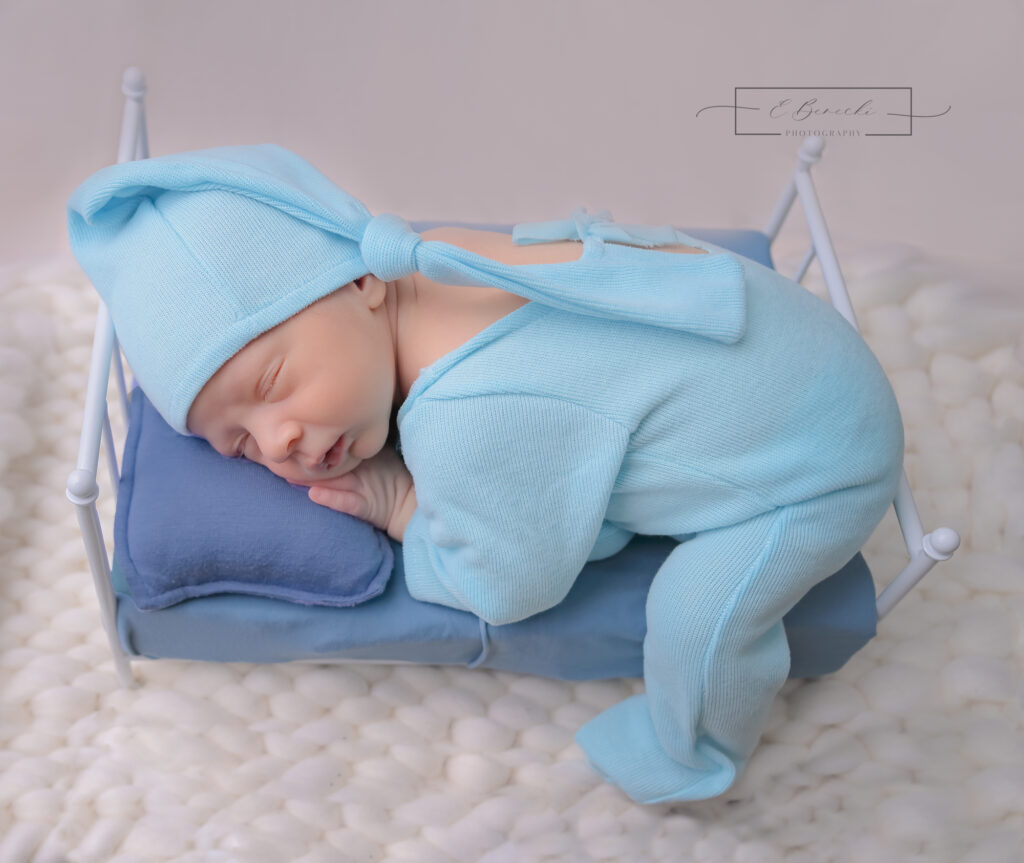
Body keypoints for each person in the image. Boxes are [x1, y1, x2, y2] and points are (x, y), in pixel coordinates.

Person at [68, 144, 903, 804]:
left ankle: (694, 758)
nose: (279, 441)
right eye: (241, 447)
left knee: (695, 616)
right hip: (794, 343)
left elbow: (509, 585)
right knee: (609, 438)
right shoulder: (443, 258)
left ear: (357, 283)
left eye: (271, 386)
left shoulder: (469, 411)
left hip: (819, 464)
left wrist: (403, 509)